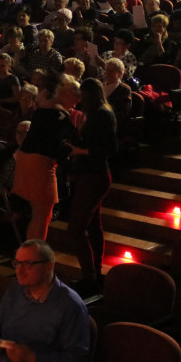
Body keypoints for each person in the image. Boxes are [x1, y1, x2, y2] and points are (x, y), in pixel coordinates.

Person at [65, 79, 118, 295]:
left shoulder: (102, 115)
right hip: (91, 174)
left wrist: (80, 152)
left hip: (94, 175)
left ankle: (89, 277)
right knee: (93, 226)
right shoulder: (97, 113)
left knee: (76, 228)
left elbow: (110, 148)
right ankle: (94, 274)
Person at [12, 78, 80, 240]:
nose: (77, 102)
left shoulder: (42, 108)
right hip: (40, 164)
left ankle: (29, 253)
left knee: (38, 214)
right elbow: (56, 148)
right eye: (76, 96)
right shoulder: (61, 116)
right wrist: (75, 150)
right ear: (67, 93)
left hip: (24, 160)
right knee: (43, 215)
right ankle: (34, 258)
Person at [101, 58, 132, 125]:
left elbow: (122, 113)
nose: (107, 73)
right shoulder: (101, 86)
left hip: (112, 124)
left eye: (111, 71)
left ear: (120, 74)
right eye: (107, 70)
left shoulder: (124, 89)